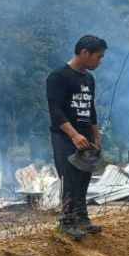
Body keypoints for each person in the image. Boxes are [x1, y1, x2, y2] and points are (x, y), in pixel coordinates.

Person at [47, 35, 106, 241]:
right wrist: (73, 135)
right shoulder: (58, 76)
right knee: (70, 177)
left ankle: (82, 218)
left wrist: (96, 135)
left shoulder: (89, 79)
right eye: (98, 56)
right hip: (65, 137)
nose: (100, 61)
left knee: (84, 176)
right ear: (84, 53)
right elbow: (55, 111)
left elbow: (90, 109)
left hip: (85, 136)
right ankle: (67, 222)